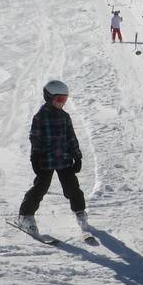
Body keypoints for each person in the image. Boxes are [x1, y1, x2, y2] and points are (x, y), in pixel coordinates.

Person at [17, 80, 88, 235]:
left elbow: (71, 137)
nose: (62, 103)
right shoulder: (40, 117)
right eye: (59, 99)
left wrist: (77, 156)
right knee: (40, 188)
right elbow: (35, 138)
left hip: (64, 159)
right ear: (49, 98)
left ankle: (80, 212)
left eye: (65, 99)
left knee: (73, 188)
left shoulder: (65, 117)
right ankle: (25, 216)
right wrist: (35, 157)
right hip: (45, 160)